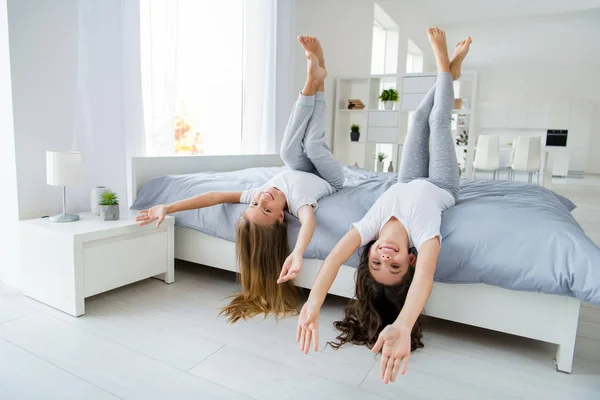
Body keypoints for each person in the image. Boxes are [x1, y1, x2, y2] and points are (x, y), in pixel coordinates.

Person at [295, 28, 472, 384]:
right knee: (438, 119)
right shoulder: (424, 238)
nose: (385, 256)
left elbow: (331, 259)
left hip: (404, 181)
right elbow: (425, 281)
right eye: (394, 265)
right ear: (409, 261)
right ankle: (444, 65)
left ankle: (450, 73)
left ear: (370, 251)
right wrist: (403, 324)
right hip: (441, 184)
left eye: (377, 261)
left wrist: (313, 303)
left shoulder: (369, 226)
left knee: (416, 120)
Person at [137, 36, 345, 322]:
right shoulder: (299, 203)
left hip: (300, 167)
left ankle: (315, 79)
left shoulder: (259, 192)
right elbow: (309, 222)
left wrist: (168, 207)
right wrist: (298, 252)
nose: (263, 199)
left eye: (257, 204)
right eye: (268, 209)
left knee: (287, 151)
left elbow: (213, 197)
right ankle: (315, 81)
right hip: (329, 177)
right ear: (282, 218)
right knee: (313, 145)